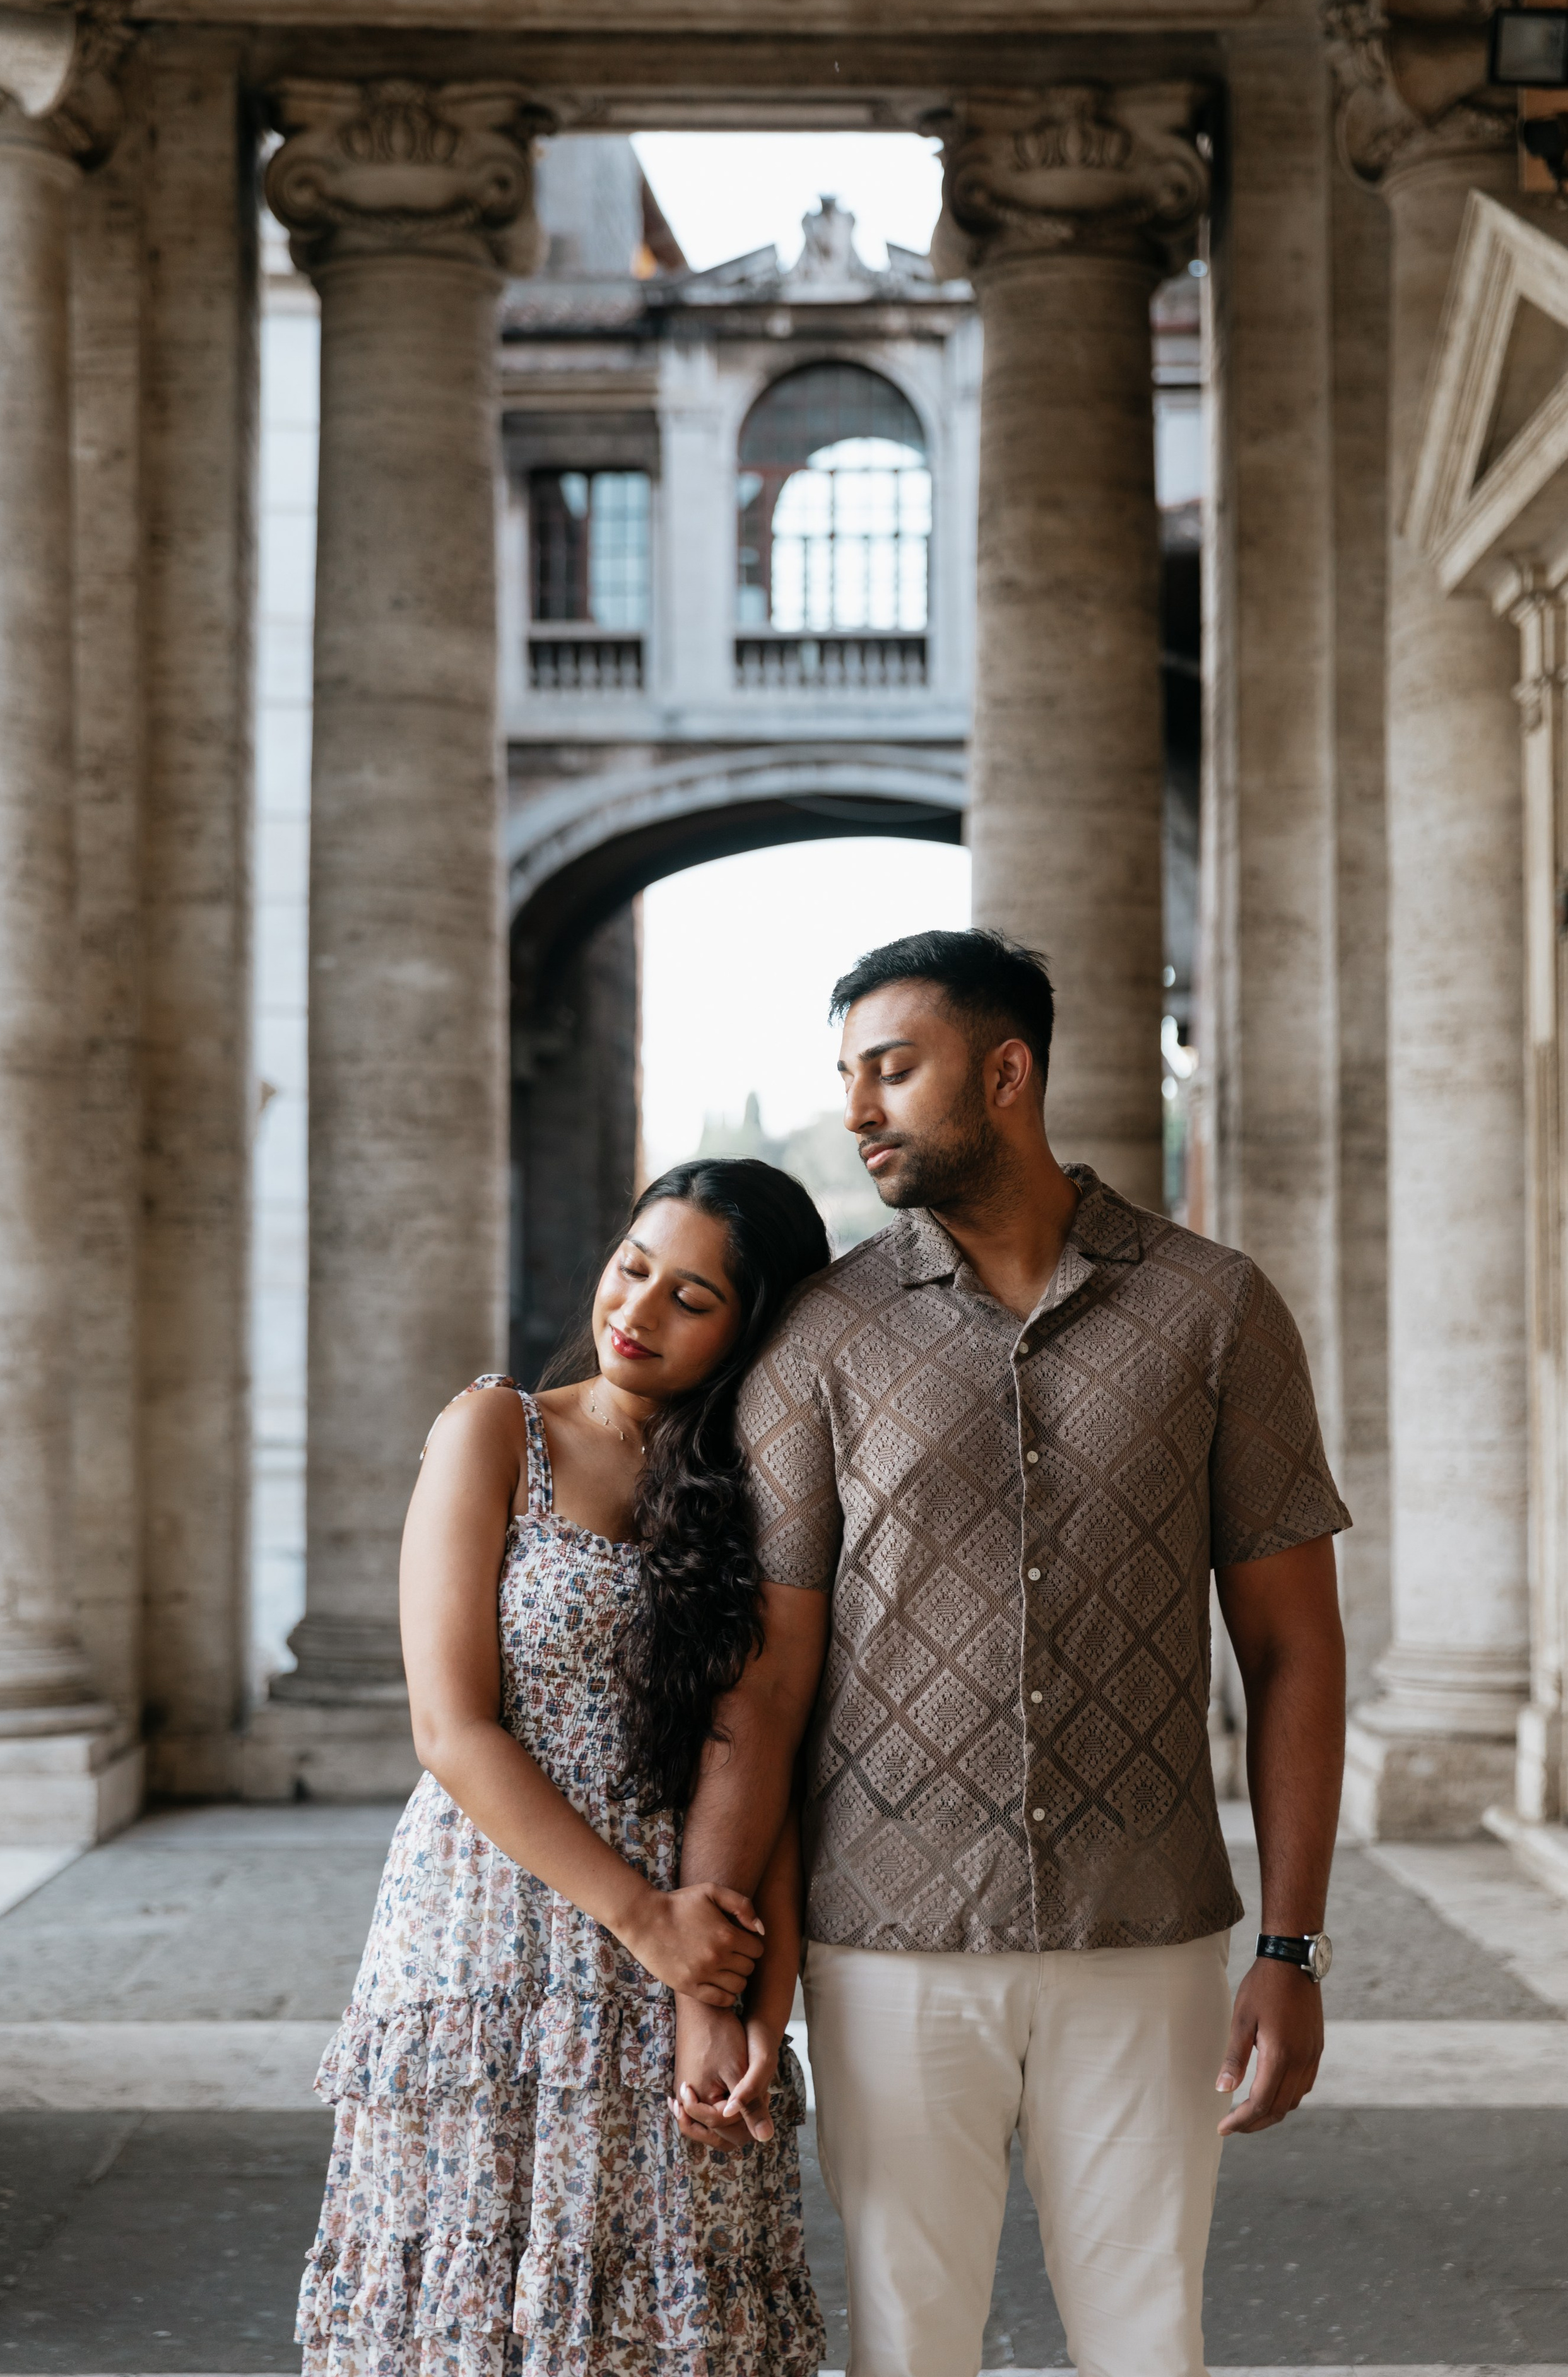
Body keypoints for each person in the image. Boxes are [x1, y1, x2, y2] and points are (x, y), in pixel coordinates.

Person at [673, 929, 1351, 2377]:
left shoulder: (1214, 1310)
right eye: (844, 1077)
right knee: (906, 2348)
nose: (857, 1110)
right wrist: (712, 1977)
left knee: (1144, 2343)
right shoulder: (820, 1336)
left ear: (1005, 1072)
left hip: (1147, 1927)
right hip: (884, 1935)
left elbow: (1291, 1648)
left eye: (890, 1071)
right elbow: (768, 1681)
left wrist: (1289, 1948)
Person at [296, 1157, 832, 2377]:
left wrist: (760, 1997)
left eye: (693, 1300)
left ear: (752, 1329)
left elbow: (765, 1746)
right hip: (486, 1930)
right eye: (633, 1269)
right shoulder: (498, 1429)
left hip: (687, 1938)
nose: (637, 1314)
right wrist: (645, 1921)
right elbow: (450, 1727)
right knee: (465, 2320)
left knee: (672, 2326)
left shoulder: (760, 1490)